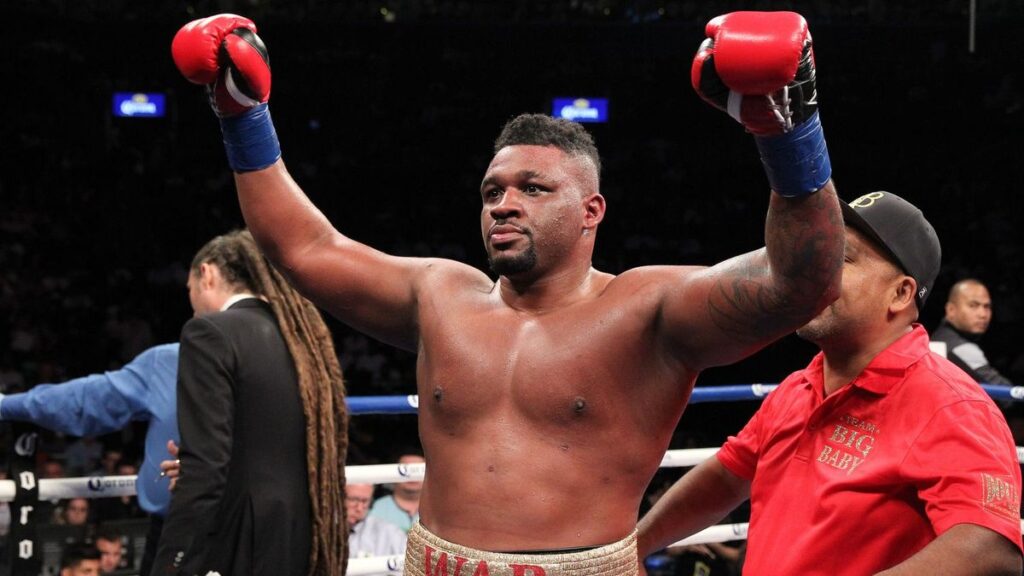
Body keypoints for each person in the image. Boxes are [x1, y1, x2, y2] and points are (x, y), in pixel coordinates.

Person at [171, 11, 845, 574]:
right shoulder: (440, 296)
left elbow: (801, 283)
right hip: (435, 561)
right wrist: (241, 115)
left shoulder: (647, 311)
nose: (504, 204)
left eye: (533, 188)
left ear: (591, 211)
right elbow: (305, 248)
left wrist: (786, 129)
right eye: (493, 191)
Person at [636, 192, 1024, 575]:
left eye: (842, 258)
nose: (817, 271)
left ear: (900, 293)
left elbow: (990, 548)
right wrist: (635, 546)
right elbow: (727, 474)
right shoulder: (798, 387)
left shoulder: (950, 404)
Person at [151, 230, 348, 576]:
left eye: (190, 291)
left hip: (242, 537)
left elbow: (207, 464)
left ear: (207, 274)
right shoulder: (305, 336)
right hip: (303, 530)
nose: (193, 304)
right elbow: (274, 441)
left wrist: (173, 561)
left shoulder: (209, 333)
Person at [0, 342, 180, 575]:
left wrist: (5, 405)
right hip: (183, 530)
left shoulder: (177, 360)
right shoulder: (176, 360)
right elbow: (89, 402)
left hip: (192, 528)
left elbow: (87, 403)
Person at [931, 278, 1014, 386]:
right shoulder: (959, 347)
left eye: (987, 307)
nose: (983, 314)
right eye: (973, 305)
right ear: (951, 310)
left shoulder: (941, 336)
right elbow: (1007, 395)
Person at [347, 483, 408, 572]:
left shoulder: (390, 533)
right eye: (353, 500)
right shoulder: (321, 530)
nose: (359, 508)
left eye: (365, 501)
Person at [369, 453, 424, 533]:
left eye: (418, 470)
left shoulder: (438, 509)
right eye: (405, 470)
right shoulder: (375, 508)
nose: (412, 476)